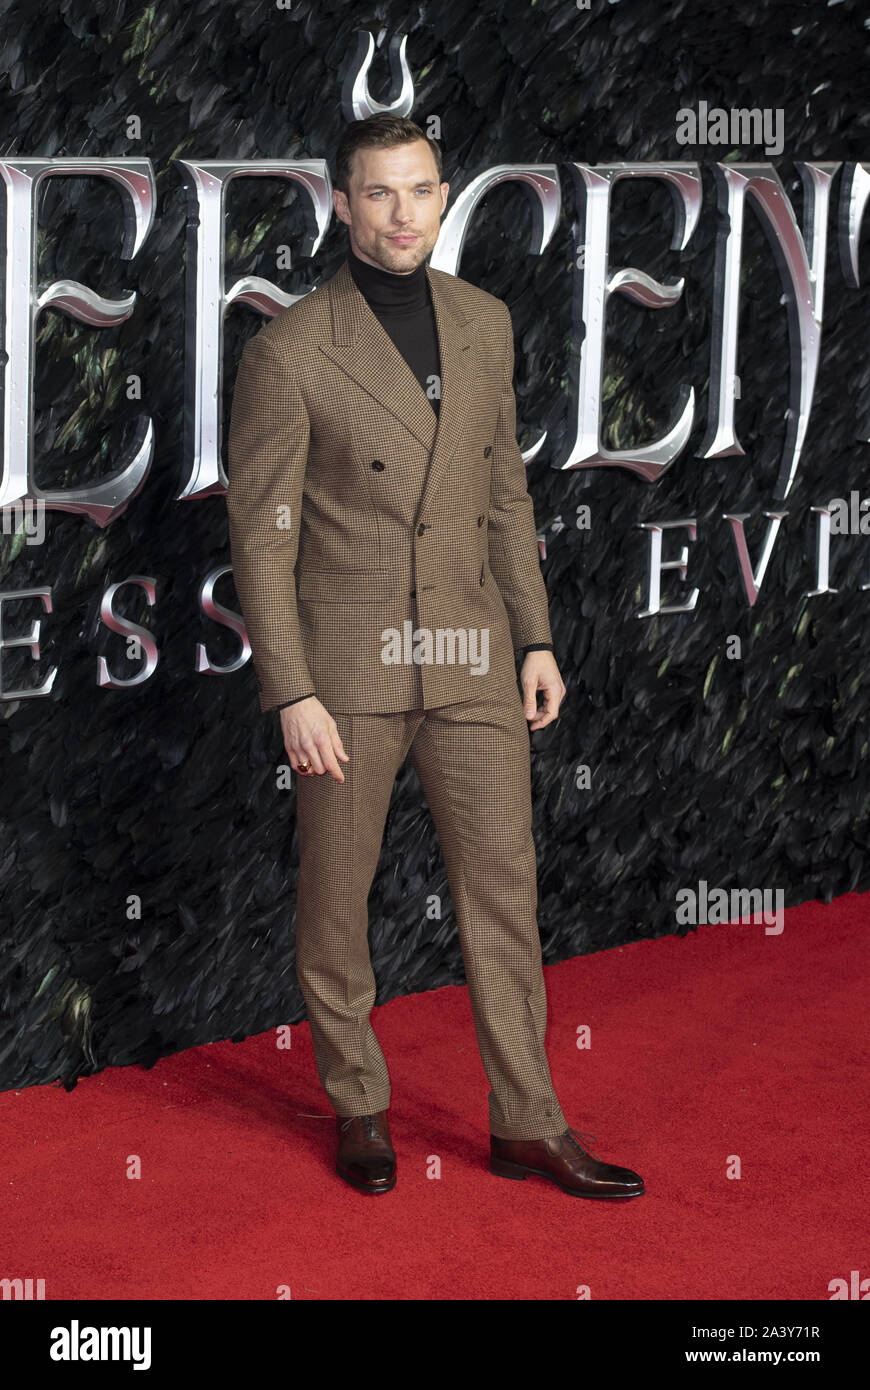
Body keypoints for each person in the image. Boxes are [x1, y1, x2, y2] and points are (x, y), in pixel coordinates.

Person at [226, 113, 644, 1200]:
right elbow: (261, 538)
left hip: (469, 650)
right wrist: (293, 691)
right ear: (342, 203)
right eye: (378, 193)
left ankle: (529, 1121)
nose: (401, 213)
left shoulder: (486, 322)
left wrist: (537, 635)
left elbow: (506, 491)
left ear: (445, 193)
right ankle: (359, 1103)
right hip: (349, 668)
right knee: (336, 897)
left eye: (419, 190)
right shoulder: (289, 350)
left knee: (505, 889)